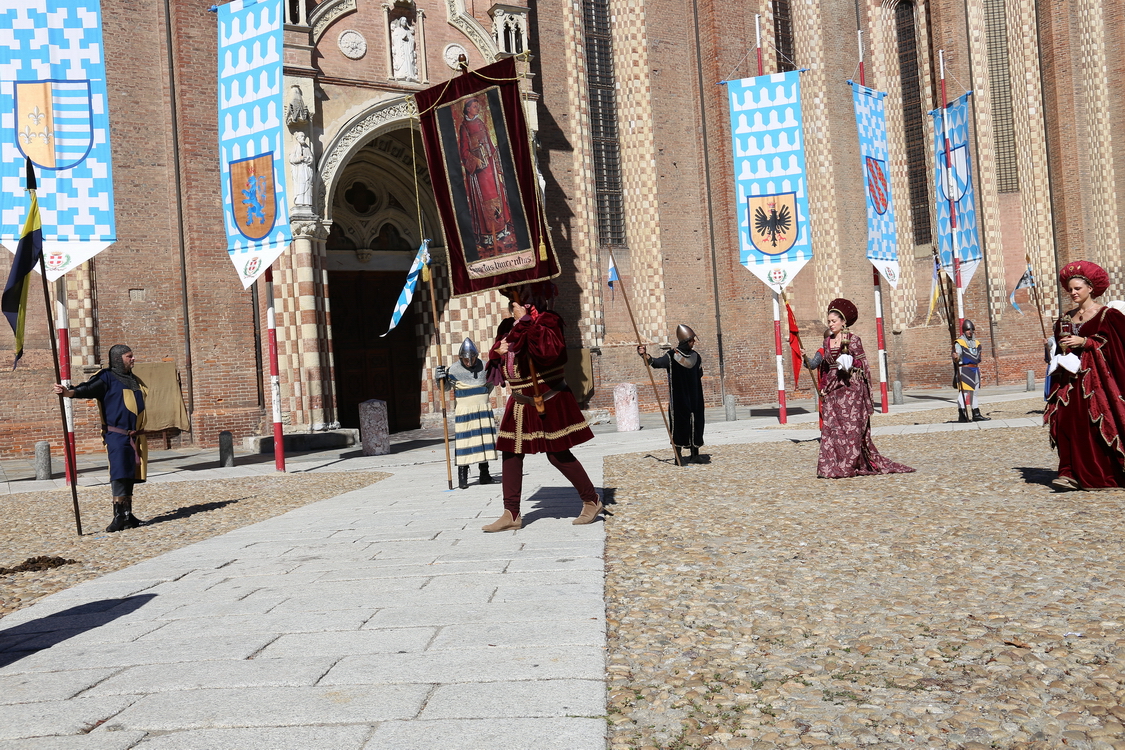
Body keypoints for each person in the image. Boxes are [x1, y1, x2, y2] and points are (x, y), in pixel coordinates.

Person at [483, 287, 600, 532]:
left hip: (547, 398)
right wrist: (497, 351)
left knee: (557, 453)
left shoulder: (549, 321)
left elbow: (550, 354)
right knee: (511, 454)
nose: (512, 304)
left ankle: (592, 500)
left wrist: (525, 323)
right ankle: (511, 512)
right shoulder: (507, 325)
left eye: (518, 300)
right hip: (518, 401)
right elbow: (499, 355)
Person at [802, 299, 914, 479]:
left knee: (851, 429)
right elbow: (821, 367)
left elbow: (863, 364)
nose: (830, 324)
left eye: (833, 321)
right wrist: (807, 362)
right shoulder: (826, 343)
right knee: (831, 429)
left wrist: (851, 362)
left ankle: (849, 466)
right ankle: (829, 467)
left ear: (843, 322)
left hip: (851, 389)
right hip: (832, 389)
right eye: (829, 321)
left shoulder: (854, 340)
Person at [1043, 261, 1125, 491]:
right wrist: (1060, 348)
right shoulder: (1065, 318)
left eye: (1078, 288)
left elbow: (1118, 347)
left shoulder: (1107, 315)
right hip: (1068, 382)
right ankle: (1068, 472)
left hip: (1096, 383)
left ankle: (1104, 473)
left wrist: (1087, 342)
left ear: (1090, 288)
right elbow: (1060, 348)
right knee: (1066, 424)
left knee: (1094, 424)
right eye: (1070, 289)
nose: (1073, 293)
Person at [52, 344, 148, 532]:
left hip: (134, 435)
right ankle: (119, 516)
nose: (133, 359)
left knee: (131, 473)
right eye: (129, 356)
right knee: (119, 473)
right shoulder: (106, 378)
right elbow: (87, 389)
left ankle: (128, 514)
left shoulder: (133, 379)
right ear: (119, 358)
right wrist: (68, 392)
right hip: (117, 435)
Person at [637, 324, 706, 464]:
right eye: (692, 340)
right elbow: (655, 362)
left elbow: (699, 373)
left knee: (697, 423)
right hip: (679, 399)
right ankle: (678, 457)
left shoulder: (696, 356)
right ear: (687, 341)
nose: (694, 343)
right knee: (680, 426)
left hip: (696, 397)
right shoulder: (671, 356)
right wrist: (644, 354)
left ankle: (695, 454)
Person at [436, 337, 498, 489]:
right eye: (466, 360)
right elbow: (446, 388)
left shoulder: (484, 366)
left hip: (482, 408)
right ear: (461, 358)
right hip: (464, 411)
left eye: (472, 359)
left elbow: (490, 384)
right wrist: (440, 379)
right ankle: (462, 477)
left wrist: (480, 398)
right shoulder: (454, 369)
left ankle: (485, 474)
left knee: (483, 441)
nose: (469, 363)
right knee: (465, 441)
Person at [458, 97, 515, 259]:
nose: (477, 109)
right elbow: (463, 151)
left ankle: (500, 229)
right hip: (478, 170)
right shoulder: (464, 127)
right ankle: (487, 233)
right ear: (467, 109)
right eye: (474, 106)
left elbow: (489, 143)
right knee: (483, 200)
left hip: (488, 167)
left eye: (477, 106)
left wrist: (494, 156)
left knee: (497, 195)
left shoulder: (481, 123)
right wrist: (475, 160)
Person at [953, 319, 990, 422]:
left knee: (975, 393)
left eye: (971, 330)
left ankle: (976, 413)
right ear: (964, 331)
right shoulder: (959, 342)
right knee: (964, 393)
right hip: (964, 369)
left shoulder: (977, 343)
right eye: (967, 330)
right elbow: (958, 355)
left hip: (975, 369)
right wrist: (955, 356)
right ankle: (962, 414)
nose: (970, 332)